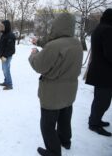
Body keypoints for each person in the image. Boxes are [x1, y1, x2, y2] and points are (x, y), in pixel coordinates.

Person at [29, 13, 83, 156]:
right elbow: (55, 47)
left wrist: (33, 54)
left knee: (47, 125)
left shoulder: (54, 46)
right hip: (70, 90)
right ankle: (65, 141)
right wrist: (39, 42)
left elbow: (39, 66)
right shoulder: (76, 43)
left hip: (52, 92)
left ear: (57, 26)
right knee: (65, 118)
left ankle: (53, 151)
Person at [86, 8, 112, 137]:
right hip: (105, 72)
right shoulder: (108, 30)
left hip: (98, 70)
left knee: (99, 98)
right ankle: (94, 123)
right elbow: (109, 53)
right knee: (103, 100)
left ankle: (95, 119)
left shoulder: (99, 28)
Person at [0, 20, 16, 90]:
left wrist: (5, 56)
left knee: (6, 70)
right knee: (4, 69)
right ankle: (6, 81)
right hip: (3, 56)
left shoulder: (10, 35)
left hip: (7, 56)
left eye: (2, 26)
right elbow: (3, 46)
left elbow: (11, 49)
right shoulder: (4, 34)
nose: (1, 27)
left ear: (6, 26)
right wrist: (0, 54)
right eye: (0, 26)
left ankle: (9, 84)